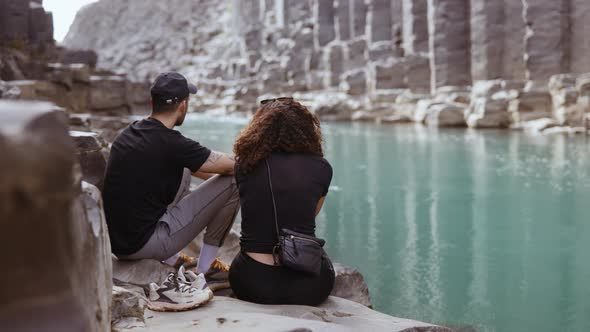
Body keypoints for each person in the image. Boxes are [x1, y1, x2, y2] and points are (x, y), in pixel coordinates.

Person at [102, 72, 239, 293]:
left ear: (151, 102)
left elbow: (204, 167)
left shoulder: (129, 133)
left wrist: (214, 186)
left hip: (120, 243)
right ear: (183, 105)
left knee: (186, 166)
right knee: (234, 181)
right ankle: (206, 270)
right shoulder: (173, 143)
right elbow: (231, 166)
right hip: (145, 245)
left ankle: (174, 259)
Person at [228, 97, 335, 306]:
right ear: (306, 130)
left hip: (252, 282)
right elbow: (309, 213)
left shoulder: (244, 166)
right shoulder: (322, 168)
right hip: (308, 287)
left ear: (258, 129)